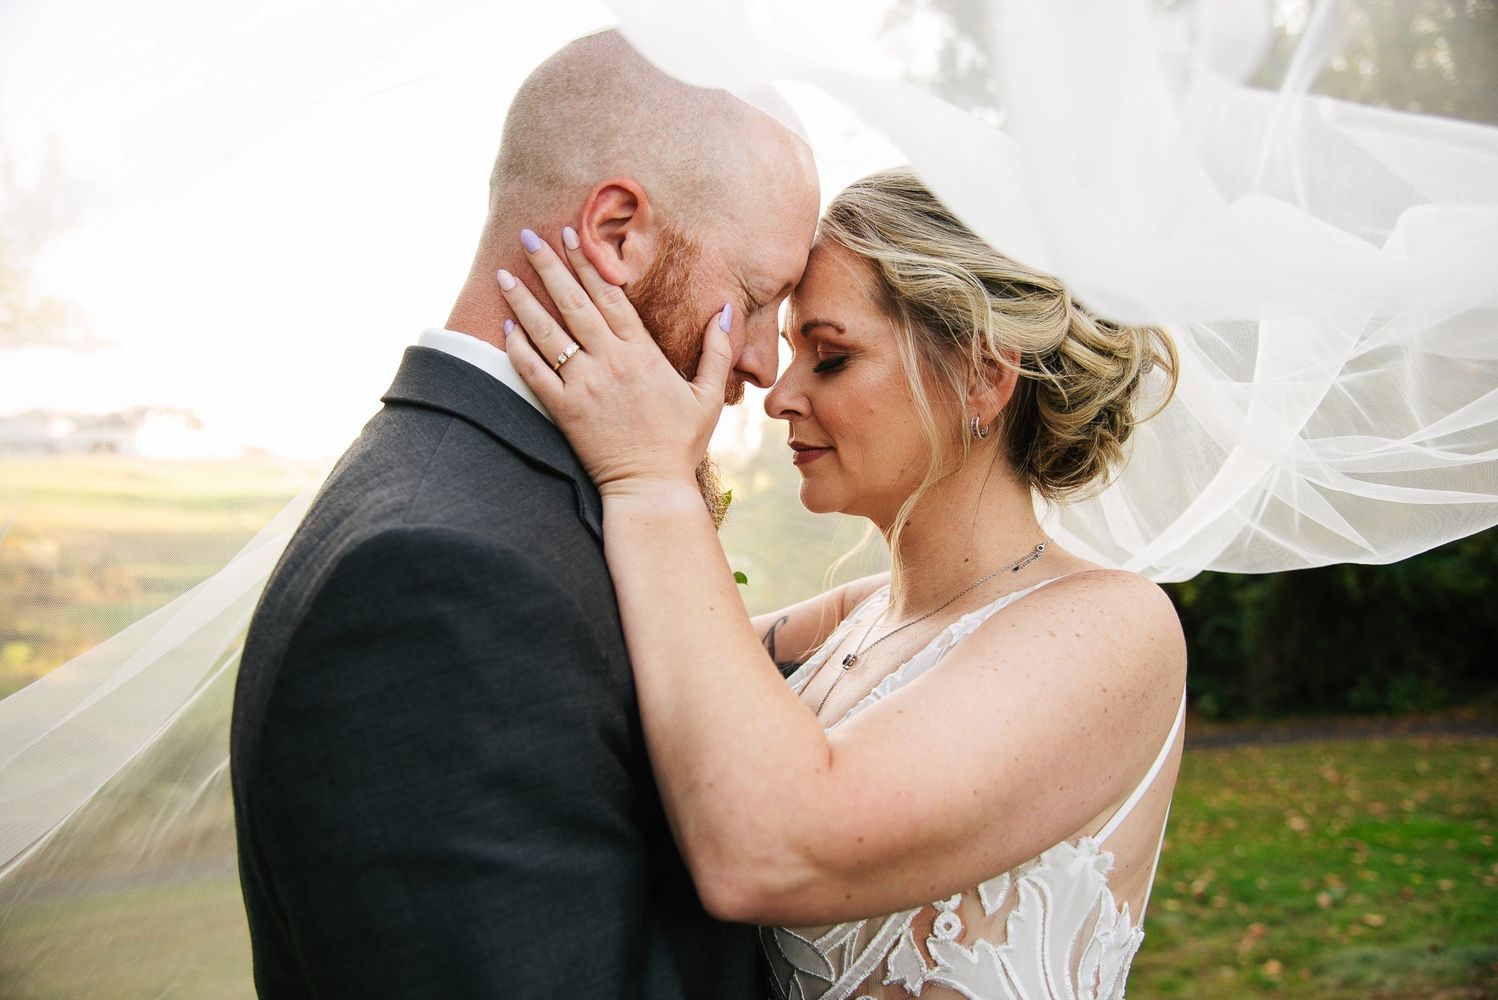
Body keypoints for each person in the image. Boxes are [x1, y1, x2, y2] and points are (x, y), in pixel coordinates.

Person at [228, 29, 819, 999]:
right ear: (619, 229)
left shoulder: (501, 495)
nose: (760, 362)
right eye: (757, 298)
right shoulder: (437, 576)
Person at [501, 167, 1188, 999]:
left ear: (982, 378)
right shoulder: (846, 622)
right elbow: (632, 675)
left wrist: (651, 480)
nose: (780, 396)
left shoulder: (1114, 629)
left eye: (831, 357)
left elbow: (771, 847)